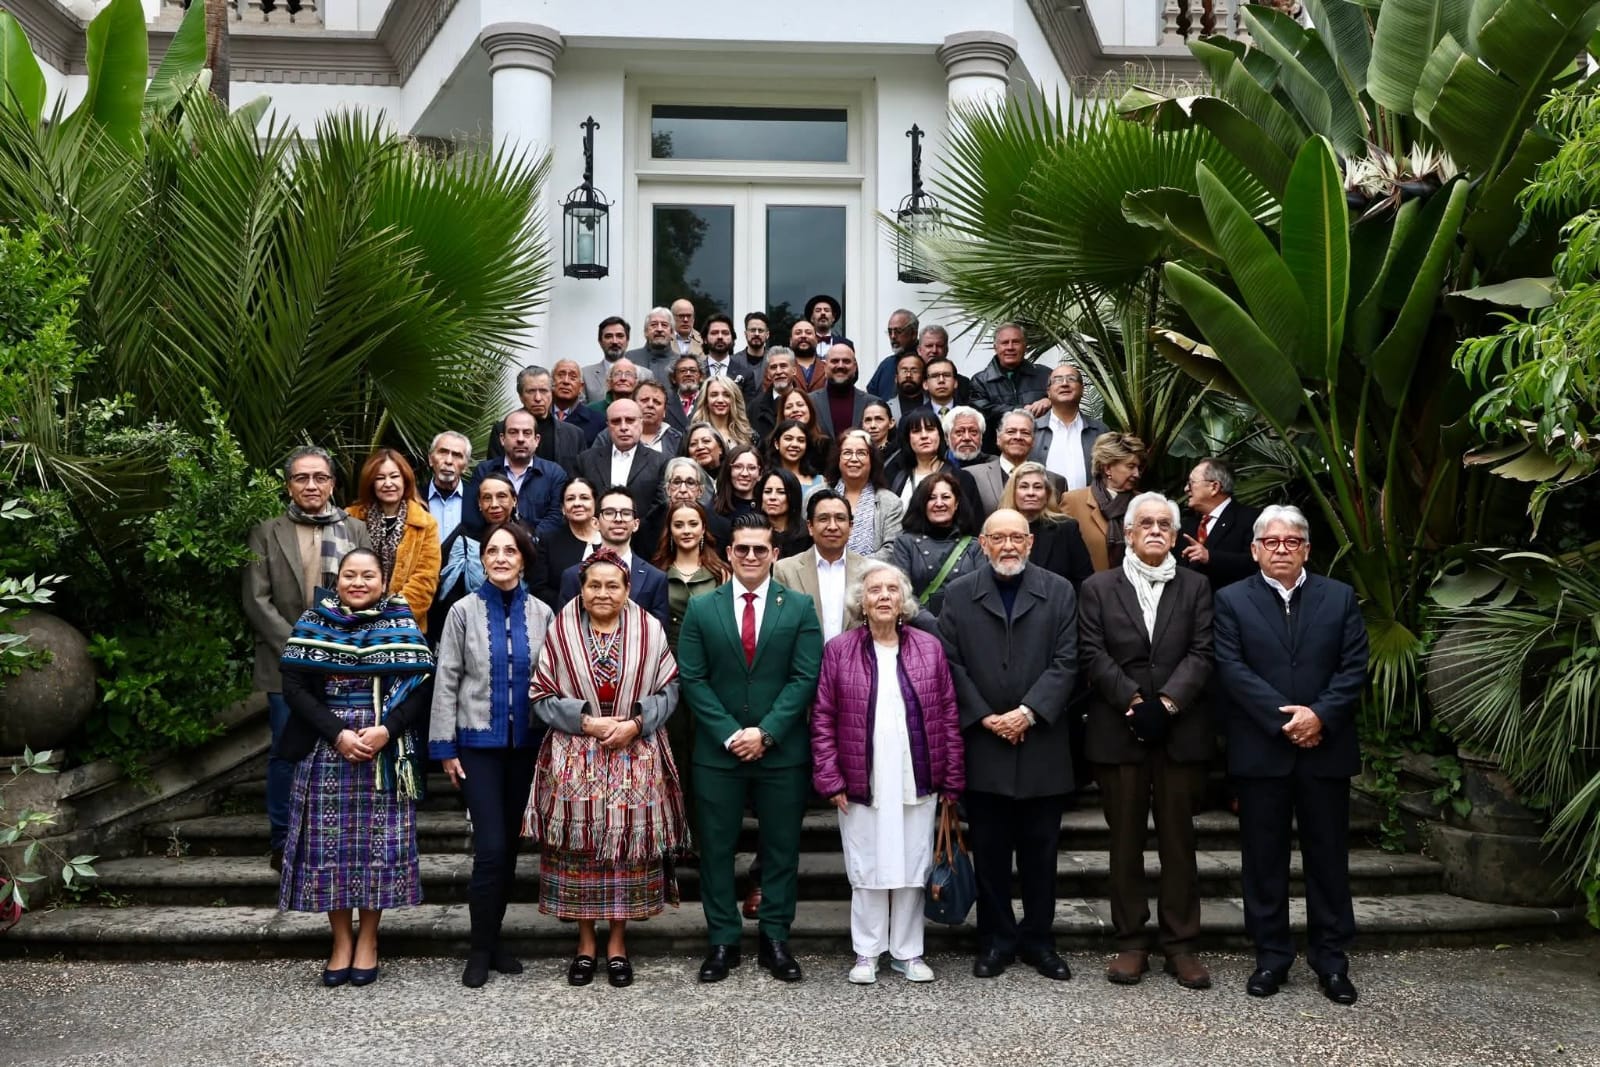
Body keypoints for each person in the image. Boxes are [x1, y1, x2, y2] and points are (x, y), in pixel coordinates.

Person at [1214, 505, 1368, 1005]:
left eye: (1292, 542)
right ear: (1255, 549)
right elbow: (1231, 669)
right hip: (1263, 752)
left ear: (1306, 548)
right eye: (1272, 542)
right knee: (1263, 861)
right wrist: (1287, 722)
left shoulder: (1340, 597)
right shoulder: (1231, 601)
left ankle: (1331, 961)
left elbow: (1353, 668)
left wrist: (1319, 716)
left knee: (1328, 860)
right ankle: (1271, 958)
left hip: (1326, 749)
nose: (1282, 549)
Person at [527, 549, 689, 988]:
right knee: (578, 855)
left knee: (626, 857)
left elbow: (669, 690)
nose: (602, 592)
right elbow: (540, 694)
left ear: (627, 590)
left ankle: (617, 944)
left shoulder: (649, 630)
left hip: (634, 757)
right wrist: (585, 721)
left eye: (611, 585)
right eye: (593, 585)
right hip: (574, 757)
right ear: (581, 589)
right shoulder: (560, 630)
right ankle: (584, 945)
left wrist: (636, 723)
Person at [276, 547, 433, 987]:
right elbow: (293, 686)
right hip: (328, 749)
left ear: (383, 583)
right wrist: (337, 733)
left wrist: (387, 730)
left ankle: (369, 939)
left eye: (368, 576)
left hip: (382, 748)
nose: (358, 583)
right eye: (349, 575)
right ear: (337, 579)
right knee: (331, 850)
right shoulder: (313, 622)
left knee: (375, 850)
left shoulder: (400, 623)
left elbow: (421, 688)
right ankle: (340, 940)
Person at [677, 514, 823, 983]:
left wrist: (767, 732)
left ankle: (775, 939)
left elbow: (805, 677)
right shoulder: (703, 608)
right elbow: (692, 678)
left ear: (775, 554)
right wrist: (729, 733)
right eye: (743, 549)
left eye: (761, 549)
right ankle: (722, 940)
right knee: (716, 850)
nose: (752, 557)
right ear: (730, 552)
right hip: (718, 754)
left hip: (781, 752)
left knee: (781, 848)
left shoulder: (798, 608)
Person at [1078, 493, 1216, 990]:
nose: (1155, 530)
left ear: (1176, 536)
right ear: (1129, 534)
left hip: (1181, 733)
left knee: (1180, 841)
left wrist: (1170, 704)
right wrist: (1135, 702)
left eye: (1164, 524)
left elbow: (1203, 651)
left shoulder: (1197, 587)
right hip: (1120, 731)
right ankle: (1132, 941)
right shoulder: (1098, 587)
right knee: (1125, 842)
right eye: (1145, 523)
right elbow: (1091, 652)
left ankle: (1181, 944)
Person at [938, 509, 1080, 982]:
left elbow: (1067, 661)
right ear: (982, 543)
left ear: (1031, 542)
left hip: (1041, 743)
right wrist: (984, 716)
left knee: (1042, 854)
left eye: (1017, 537)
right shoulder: (958, 595)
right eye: (998, 537)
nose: (1008, 546)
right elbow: (951, 665)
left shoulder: (1059, 591)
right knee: (991, 853)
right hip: (985, 745)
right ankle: (996, 940)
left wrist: (1028, 712)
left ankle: (1040, 940)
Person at [811, 560, 963, 984]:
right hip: (863, 778)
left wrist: (952, 778)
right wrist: (830, 777)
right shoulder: (839, 649)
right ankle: (866, 952)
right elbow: (822, 718)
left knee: (913, 866)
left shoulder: (928, 648)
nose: (882, 596)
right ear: (861, 601)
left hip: (917, 774)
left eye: (891, 590)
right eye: (874, 589)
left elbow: (947, 714)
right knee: (867, 867)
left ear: (903, 602)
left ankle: (909, 952)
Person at [429, 522, 556, 987]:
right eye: (492, 551)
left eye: (510, 551)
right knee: (491, 849)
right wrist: (445, 747)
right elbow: (446, 678)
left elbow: (554, 679)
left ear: (523, 559)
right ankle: (479, 948)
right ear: (483, 559)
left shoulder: (543, 613)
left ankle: (496, 940)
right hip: (477, 747)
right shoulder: (462, 611)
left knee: (510, 851)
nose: (500, 557)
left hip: (527, 746)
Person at [243, 446, 373, 871]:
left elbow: (371, 590)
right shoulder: (267, 532)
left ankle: (335, 836)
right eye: (302, 478)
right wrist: (300, 650)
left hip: (345, 663)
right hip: (285, 666)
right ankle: (283, 840)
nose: (311, 485)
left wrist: (341, 648)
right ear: (289, 484)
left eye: (320, 477)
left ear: (333, 483)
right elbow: (256, 599)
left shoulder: (355, 530)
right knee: (287, 749)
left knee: (340, 749)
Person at [651, 500, 729, 834]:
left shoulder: (720, 572)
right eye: (678, 524)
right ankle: (673, 833)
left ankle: (702, 834)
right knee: (674, 753)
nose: (686, 530)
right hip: (665, 674)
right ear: (669, 530)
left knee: (705, 754)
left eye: (692, 524)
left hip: (709, 675)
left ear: (703, 529)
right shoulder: (655, 572)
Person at [347, 448, 441, 632]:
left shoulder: (425, 523)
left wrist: (388, 618)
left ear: (405, 479)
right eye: (380, 478)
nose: (388, 483)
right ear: (371, 482)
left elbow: (425, 580)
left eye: (394, 476)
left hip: (403, 627)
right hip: (353, 622)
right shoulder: (351, 518)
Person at [557, 485, 671, 631]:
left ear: (636, 524)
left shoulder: (655, 579)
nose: (618, 519)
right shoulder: (573, 576)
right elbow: (565, 631)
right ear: (595, 523)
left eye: (626, 513)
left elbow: (659, 635)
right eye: (609, 513)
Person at [773, 489, 868, 641]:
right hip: (804, 661)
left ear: (850, 527)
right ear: (810, 527)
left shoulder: (868, 570)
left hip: (854, 661)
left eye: (840, 518)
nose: (832, 526)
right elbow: (779, 626)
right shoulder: (785, 570)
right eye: (823, 519)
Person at [573, 399, 668, 548]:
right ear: (608, 427)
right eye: (616, 421)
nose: (623, 427)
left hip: (644, 546)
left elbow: (660, 507)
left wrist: (628, 529)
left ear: (641, 424)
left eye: (630, 420)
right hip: (594, 543)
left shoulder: (661, 462)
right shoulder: (586, 460)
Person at [889, 472, 984, 616]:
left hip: (965, 628)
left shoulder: (974, 546)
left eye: (946, 497)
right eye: (931, 498)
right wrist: (932, 626)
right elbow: (902, 593)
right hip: (919, 629)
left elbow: (981, 593)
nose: (939, 503)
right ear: (922, 504)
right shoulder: (905, 544)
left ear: (956, 503)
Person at [463, 408, 568, 539]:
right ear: (502, 439)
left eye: (527, 433)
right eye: (513, 432)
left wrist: (527, 540)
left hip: (540, 551)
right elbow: (474, 512)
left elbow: (556, 516)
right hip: (493, 547)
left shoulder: (554, 473)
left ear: (537, 440)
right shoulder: (484, 471)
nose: (520, 439)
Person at [998, 461, 1094, 589]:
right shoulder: (998, 528)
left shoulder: (1066, 528)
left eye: (1037, 487)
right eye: (1024, 487)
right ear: (1013, 492)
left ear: (1047, 493)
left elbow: (1083, 579)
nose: (1031, 493)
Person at [1061, 432, 1148, 572]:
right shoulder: (1073, 502)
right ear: (1107, 468)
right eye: (1130, 466)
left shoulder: (1145, 503)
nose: (1136, 474)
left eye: (1138, 468)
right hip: (1088, 589)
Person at [424, 431, 479, 638]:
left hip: (464, 601)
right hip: (423, 597)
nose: (448, 461)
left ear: (465, 465)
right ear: (431, 459)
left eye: (457, 455)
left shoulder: (479, 501)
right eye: (443, 452)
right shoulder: (413, 499)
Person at [1180, 457, 1260, 591]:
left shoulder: (1251, 519)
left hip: (1228, 606)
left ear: (1214, 487)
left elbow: (1257, 563)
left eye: (1191, 483)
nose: (1186, 489)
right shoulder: (1186, 524)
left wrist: (1210, 557)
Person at [969, 322, 1050, 452]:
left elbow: (1065, 399)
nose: (1010, 347)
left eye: (1016, 342)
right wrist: (1022, 410)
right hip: (997, 456)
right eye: (1005, 343)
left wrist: (1050, 401)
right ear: (995, 347)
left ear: (1025, 346)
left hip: (1041, 451)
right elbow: (984, 413)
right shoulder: (980, 381)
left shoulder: (1045, 375)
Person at [884, 410, 981, 518]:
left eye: (930, 429)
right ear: (908, 439)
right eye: (916, 431)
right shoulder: (896, 478)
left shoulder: (962, 479)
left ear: (941, 436)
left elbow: (973, 524)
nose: (924, 436)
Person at [487, 365, 586, 471]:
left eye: (543, 391)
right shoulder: (502, 429)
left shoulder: (574, 435)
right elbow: (495, 474)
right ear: (520, 396)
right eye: (531, 391)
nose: (538, 398)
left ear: (551, 393)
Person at [969, 410, 1065, 515]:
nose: (1018, 437)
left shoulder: (1055, 481)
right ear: (998, 438)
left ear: (1033, 440)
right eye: (1011, 432)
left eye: (1025, 433)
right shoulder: (972, 476)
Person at [828, 429, 903, 561]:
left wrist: (851, 566)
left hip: (873, 576)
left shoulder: (890, 502)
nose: (854, 459)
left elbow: (892, 549)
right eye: (847, 453)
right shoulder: (818, 496)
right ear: (838, 459)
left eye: (861, 453)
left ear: (872, 460)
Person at [1031, 363, 1106, 491]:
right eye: (1057, 380)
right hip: (1043, 508)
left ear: (1082, 389)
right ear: (1048, 392)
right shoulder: (1032, 430)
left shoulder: (1100, 431)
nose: (1064, 383)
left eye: (1071, 379)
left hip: (1089, 508)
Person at [541, 476, 604, 579]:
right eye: (570, 499)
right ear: (563, 508)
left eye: (584, 498)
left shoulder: (610, 536)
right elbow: (539, 587)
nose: (577, 503)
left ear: (595, 503)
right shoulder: (548, 541)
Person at [809, 343, 871, 437]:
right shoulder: (809, 402)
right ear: (825, 366)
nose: (840, 366)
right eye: (835, 361)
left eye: (846, 361)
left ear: (855, 367)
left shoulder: (871, 403)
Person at [864, 308, 920, 400]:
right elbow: (870, 398)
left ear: (913, 333)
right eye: (890, 332)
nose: (893, 336)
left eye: (898, 331)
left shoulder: (925, 362)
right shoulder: (886, 365)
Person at [690, 376, 757, 450]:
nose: (720, 400)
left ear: (734, 400)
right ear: (706, 400)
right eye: (714, 395)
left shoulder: (749, 435)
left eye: (727, 395)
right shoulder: (692, 434)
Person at [756, 467, 811, 559]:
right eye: (767, 491)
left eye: (781, 492)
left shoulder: (807, 535)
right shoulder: (750, 531)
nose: (772, 497)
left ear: (792, 496)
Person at [766, 418, 827, 498]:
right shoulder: (764, 479)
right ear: (777, 443)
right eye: (788, 439)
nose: (795, 444)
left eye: (801, 440)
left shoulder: (820, 482)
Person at [583, 315, 639, 403]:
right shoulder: (585, 375)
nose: (614, 341)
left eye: (620, 336)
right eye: (608, 336)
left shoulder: (645, 375)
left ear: (627, 340)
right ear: (600, 342)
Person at [553, 358, 606, 444]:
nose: (566, 381)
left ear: (581, 387)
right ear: (551, 381)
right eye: (561, 375)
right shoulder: (538, 416)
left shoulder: (598, 421)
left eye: (573, 377)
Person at [749, 347, 797, 441]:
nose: (778, 372)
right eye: (773, 367)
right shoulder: (754, 407)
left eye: (783, 366)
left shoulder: (806, 404)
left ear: (794, 371)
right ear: (768, 374)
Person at [624, 306, 679, 384]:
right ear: (646, 332)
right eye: (654, 325)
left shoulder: (680, 362)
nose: (659, 329)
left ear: (672, 333)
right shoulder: (629, 358)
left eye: (664, 325)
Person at [712, 445, 763, 523]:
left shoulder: (768, 508)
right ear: (728, 471)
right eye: (738, 467)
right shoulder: (712, 510)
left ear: (760, 474)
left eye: (752, 468)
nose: (744, 473)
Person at [730, 311, 771, 406]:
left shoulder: (774, 361)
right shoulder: (732, 361)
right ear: (745, 334)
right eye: (752, 330)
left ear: (767, 335)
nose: (756, 334)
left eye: (760, 330)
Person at [885, 350, 928, 420]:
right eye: (904, 371)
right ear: (896, 378)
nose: (908, 375)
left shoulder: (934, 405)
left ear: (923, 377)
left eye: (914, 371)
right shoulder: (886, 408)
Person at [666, 352, 703, 432]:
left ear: (701, 377)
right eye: (683, 371)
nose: (688, 374)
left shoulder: (708, 400)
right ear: (673, 378)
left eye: (693, 371)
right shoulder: (665, 402)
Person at [788, 318, 824, 391]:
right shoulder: (781, 368)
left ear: (816, 340)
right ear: (791, 341)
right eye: (798, 333)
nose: (803, 336)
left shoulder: (828, 368)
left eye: (808, 333)